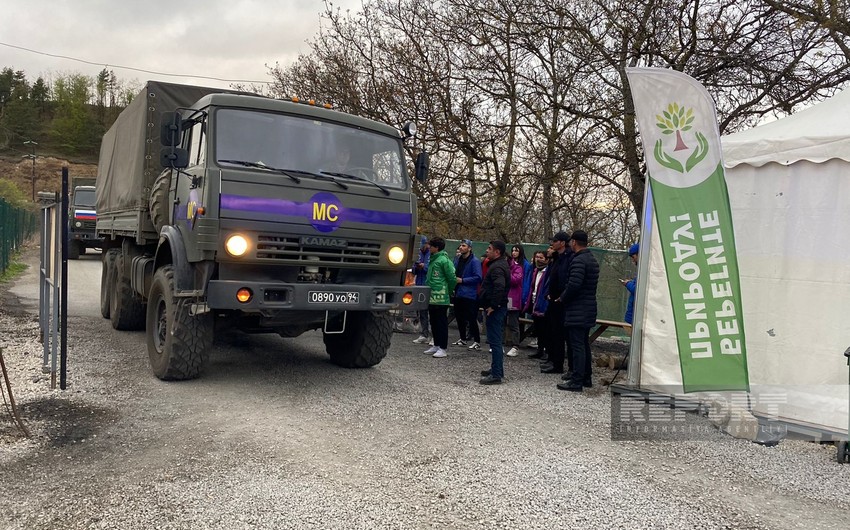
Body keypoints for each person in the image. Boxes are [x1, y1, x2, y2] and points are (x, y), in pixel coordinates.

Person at [556, 230, 600, 392]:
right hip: (588, 307)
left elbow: (574, 284)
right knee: (584, 344)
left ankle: (576, 381)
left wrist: (563, 297)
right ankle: (586, 377)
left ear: (574, 242)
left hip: (578, 308)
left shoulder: (579, 260)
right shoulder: (592, 259)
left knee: (577, 346)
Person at [540, 231, 574, 374]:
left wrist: (561, 296)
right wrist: (548, 293)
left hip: (561, 302)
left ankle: (559, 364)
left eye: (555, 241)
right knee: (552, 332)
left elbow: (567, 280)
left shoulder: (569, 258)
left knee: (560, 335)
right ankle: (553, 360)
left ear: (562, 243)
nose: (552, 244)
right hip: (552, 300)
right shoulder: (557, 258)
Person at [478, 240, 510, 385]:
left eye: (490, 249)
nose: (487, 250)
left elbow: (499, 287)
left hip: (495, 309)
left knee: (495, 341)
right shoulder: (499, 265)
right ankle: (497, 369)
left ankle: (496, 374)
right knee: (494, 340)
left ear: (497, 252)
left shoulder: (497, 267)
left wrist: (493, 305)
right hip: (495, 307)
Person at [423, 237, 457, 358]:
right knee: (433, 321)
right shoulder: (432, 260)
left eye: (431, 246)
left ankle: (443, 348)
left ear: (436, 248)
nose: (429, 248)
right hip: (431, 297)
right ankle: (436, 345)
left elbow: (452, 278)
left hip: (441, 298)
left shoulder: (444, 260)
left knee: (441, 322)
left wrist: (448, 291)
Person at [452, 239, 483, 350]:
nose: (461, 247)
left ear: (469, 248)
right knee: (459, 316)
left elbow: (478, 277)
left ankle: (477, 341)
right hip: (458, 292)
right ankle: (462, 338)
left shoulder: (474, 261)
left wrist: (463, 280)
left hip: (469, 294)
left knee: (471, 318)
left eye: (464, 245)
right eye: (460, 245)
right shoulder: (457, 259)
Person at [524, 250, 549, 360]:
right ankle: (539, 350)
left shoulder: (547, 272)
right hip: (534, 302)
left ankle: (546, 351)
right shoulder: (534, 271)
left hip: (543, 303)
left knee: (545, 329)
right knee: (538, 328)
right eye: (536, 257)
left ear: (546, 260)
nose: (538, 259)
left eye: (541, 257)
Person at [412, 236, 432, 345]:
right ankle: (424, 334)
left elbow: (432, 269)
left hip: (428, 285)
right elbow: (413, 269)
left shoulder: (431, 254)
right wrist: (416, 267)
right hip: (419, 284)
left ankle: (433, 336)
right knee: (422, 311)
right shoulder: (418, 253)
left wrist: (424, 266)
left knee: (431, 312)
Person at [504, 249, 524, 357]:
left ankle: (515, 346)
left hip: (513, 299)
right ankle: (499, 344)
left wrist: (506, 272)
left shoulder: (518, 268)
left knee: (513, 323)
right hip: (502, 297)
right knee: (501, 321)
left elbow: (515, 281)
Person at [622, 243, 639, 327]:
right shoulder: (640, 269)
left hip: (636, 312)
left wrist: (628, 283)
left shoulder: (644, 269)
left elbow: (638, 290)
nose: (633, 260)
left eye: (633, 257)